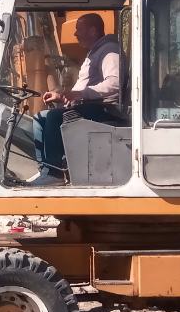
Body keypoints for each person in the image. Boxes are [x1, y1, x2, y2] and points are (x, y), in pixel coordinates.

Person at [31, 12, 123, 185]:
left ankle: (54, 173)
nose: (75, 34)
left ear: (93, 31)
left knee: (54, 117)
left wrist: (82, 93)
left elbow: (115, 83)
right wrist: (61, 96)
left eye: (78, 30)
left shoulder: (109, 51)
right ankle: (46, 170)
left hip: (103, 109)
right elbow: (82, 87)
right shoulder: (94, 52)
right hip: (89, 105)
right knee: (39, 118)